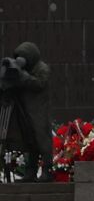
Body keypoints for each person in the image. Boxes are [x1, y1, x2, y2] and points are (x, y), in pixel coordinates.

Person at [0, 42, 53, 181]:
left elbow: (39, 84)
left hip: (38, 111)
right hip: (23, 111)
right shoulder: (21, 69)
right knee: (29, 141)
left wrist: (22, 76)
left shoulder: (42, 68)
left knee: (42, 140)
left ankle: (47, 170)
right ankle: (30, 172)